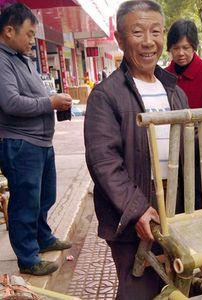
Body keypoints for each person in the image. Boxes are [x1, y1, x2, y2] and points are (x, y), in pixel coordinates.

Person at [84, 1, 202, 299]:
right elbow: (104, 161)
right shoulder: (106, 96)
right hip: (133, 207)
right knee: (139, 290)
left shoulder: (174, 91)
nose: (148, 41)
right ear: (119, 38)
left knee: (177, 286)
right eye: (137, 31)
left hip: (176, 205)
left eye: (155, 31)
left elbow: (184, 148)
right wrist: (137, 208)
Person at [0, 3, 73, 276]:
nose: (33, 40)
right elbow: (11, 103)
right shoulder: (2, 60)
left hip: (40, 142)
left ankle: (43, 238)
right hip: (20, 143)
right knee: (25, 202)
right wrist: (50, 102)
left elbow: (30, 96)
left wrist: (54, 102)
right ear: (9, 31)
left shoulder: (22, 58)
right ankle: (28, 258)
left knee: (44, 196)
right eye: (29, 34)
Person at [165, 19, 202, 138]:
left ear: (194, 47)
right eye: (176, 48)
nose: (181, 53)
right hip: (172, 143)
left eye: (186, 47)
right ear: (170, 49)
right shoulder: (164, 75)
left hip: (201, 145)